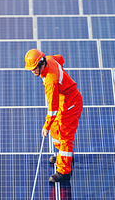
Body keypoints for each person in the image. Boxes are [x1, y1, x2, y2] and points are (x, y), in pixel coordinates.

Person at [25, 49, 83, 183]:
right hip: (64, 101)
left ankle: (64, 171)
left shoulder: (51, 80)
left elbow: (52, 109)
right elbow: (60, 58)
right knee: (55, 129)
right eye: (31, 69)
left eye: (34, 68)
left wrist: (45, 126)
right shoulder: (50, 59)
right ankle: (63, 156)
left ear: (41, 63)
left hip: (71, 104)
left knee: (65, 136)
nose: (33, 71)